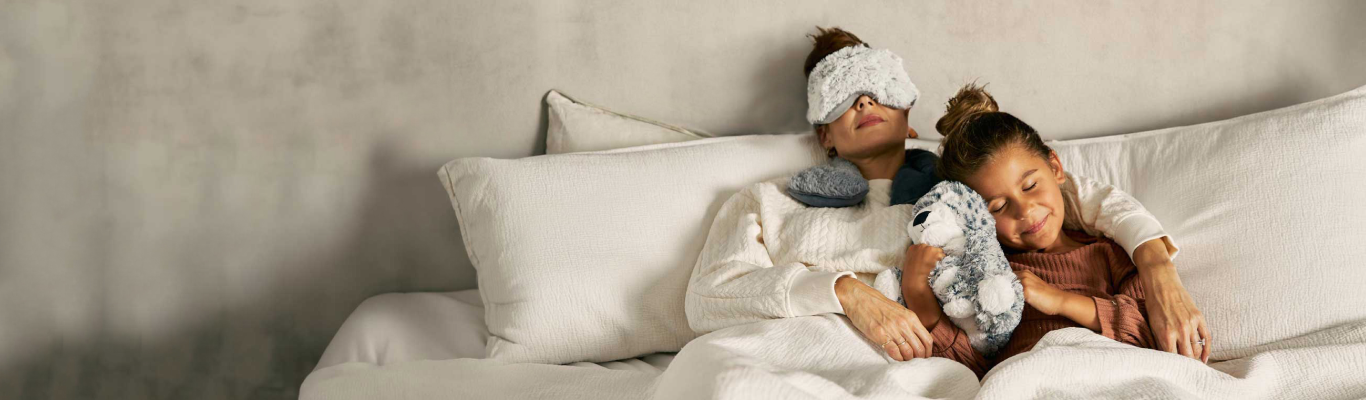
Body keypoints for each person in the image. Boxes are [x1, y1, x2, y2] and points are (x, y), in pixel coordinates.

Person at [684, 27, 1206, 366]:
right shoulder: (765, 200)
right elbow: (707, 299)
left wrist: (1157, 265)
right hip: (777, 358)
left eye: (878, 86)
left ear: (909, 114)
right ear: (823, 134)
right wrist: (843, 292)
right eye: (841, 96)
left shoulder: (962, 198)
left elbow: (1066, 198)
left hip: (915, 373)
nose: (864, 99)